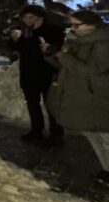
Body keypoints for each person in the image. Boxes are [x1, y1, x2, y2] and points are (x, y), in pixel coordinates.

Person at [46, 10, 109, 183]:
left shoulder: (103, 43)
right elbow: (66, 66)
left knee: (104, 135)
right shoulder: (76, 41)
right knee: (93, 134)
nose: (72, 29)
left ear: (92, 25)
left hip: (97, 96)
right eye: (71, 24)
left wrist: (62, 56)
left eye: (76, 25)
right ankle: (106, 169)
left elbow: (91, 70)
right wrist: (51, 54)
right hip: (81, 95)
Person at [9, 5, 65, 145]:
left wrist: (33, 36)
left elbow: (48, 49)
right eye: (25, 17)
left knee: (50, 104)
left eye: (31, 17)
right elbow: (16, 49)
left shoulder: (52, 31)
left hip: (47, 72)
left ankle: (56, 135)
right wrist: (14, 39)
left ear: (40, 17)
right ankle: (36, 130)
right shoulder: (24, 31)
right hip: (28, 73)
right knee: (32, 103)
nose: (28, 20)